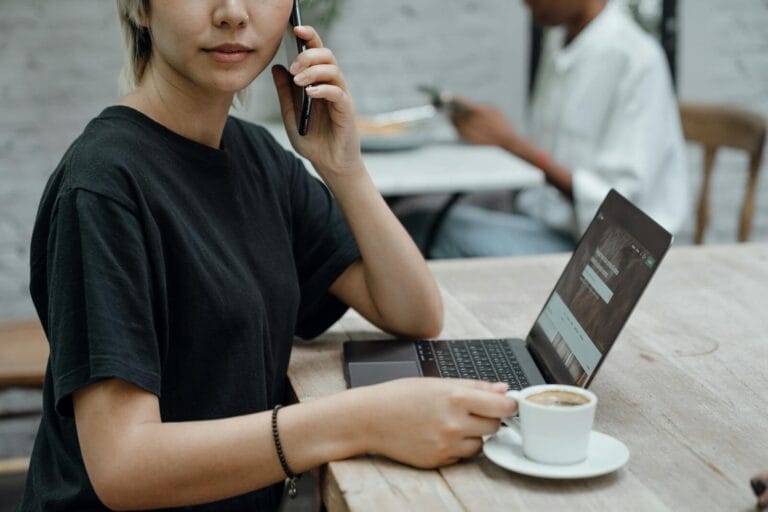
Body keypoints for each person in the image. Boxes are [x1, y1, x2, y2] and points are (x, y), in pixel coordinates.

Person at [18, 1, 517, 510]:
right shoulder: (104, 186)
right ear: (141, 10)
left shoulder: (256, 155)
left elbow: (413, 310)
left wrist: (343, 168)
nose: (233, 12)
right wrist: (361, 421)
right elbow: (124, 466)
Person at [406, 0, 690, 258]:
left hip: (600, 252)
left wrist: (510, 143)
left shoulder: (636, 59)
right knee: (413, 208)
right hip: (542, 218)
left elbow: (621, 211)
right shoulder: (558, 42)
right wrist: (491, 135)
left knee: (424, 226)